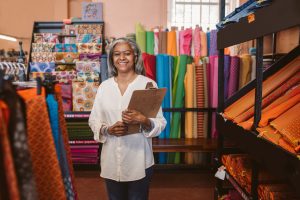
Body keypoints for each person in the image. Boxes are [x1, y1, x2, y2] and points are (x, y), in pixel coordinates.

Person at [89, 37, 166, 200]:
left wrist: (143, 120)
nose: (122, 58)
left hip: (139, 160)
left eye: (127, 53)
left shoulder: (148, 84)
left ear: (135, 56)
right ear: (112, 59)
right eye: (117, 54)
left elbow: (161, 122)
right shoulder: (105, 87)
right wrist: (107, 129)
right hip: (111, 160)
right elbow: (94, 120)